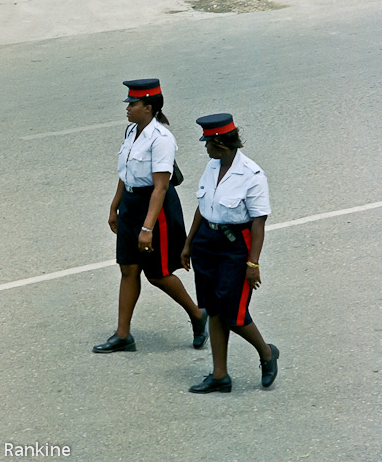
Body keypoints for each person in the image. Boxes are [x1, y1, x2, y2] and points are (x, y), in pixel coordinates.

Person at [93, 79, 208, 354]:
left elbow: (161, 186)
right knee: (128, 268)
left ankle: (197, 314)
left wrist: (148, 227)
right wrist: (114, 206)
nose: (128, 108)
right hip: (131, 205)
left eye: (133, 104)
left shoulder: (161, 139)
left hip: (155, 211)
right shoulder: (131, 131)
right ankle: (123, 335)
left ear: (149, 107)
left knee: (157, 274)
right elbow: (126, 173)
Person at [181, 113, 279, 393]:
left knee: (232, 313)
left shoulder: (252, 175)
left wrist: (253, 263)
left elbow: (259, 223)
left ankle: (267, 353)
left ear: (220, 143)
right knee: (213, 309)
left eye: (207, 143)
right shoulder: (212, 168)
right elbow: (204, 206)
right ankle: (220, 375)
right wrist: (189, 243)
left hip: (235, 247)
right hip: (206, 243)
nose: (205, 148)